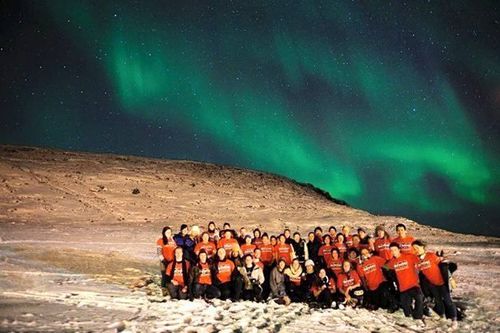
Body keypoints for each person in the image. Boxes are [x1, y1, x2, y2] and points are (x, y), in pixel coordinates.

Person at [412, 240, 458, 326]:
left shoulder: (431, 255)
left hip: (442, 283)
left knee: (448, 301)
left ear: (422, 247)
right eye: (414, 249)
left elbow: (443, 266)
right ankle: (442, 316)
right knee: (438, 301)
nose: (416, 250)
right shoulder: (417, 261)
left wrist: (450, 279)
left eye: (417, 248)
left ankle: (454, 319)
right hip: (432, 285)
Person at [387, 242, 424, 321]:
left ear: (399, 250)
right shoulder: (391, 262)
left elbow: (420, 261)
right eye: (391, 250)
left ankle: (418, 317)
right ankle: (410, 316)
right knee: (407, 312)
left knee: (419, 298)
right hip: (403, 288)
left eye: (395, 250)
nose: (393, 252)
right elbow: (384, 267)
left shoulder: (409, 256)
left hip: (413, 285)